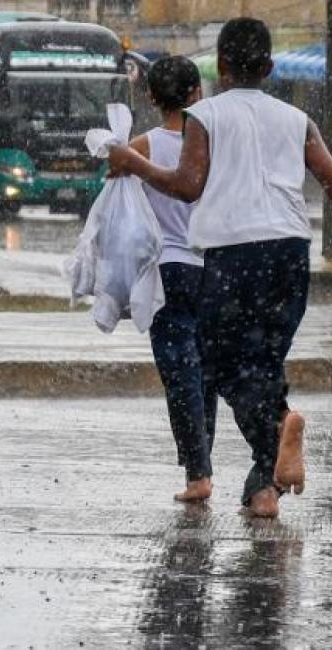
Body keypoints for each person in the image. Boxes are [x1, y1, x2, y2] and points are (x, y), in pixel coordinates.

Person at [110, 18, 332, 518]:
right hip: (289, 252)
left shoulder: (206, 116)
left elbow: (188, 185)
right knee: (264, 362)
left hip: (233, 252)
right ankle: (265, 488)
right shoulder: (296, 119)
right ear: (270, 67)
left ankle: (281, 424)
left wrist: (135, 164)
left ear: (219, 67)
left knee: (222, 366)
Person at [130, 56, 215, 503]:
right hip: (210, 266)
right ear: (196, 93)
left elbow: (116, 188)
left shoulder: (142, 146)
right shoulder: (212, 144)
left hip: (166, 270)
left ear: (150, 96)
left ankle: (198, 473)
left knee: (179, 373)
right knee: (204, 371)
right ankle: (203, 463)